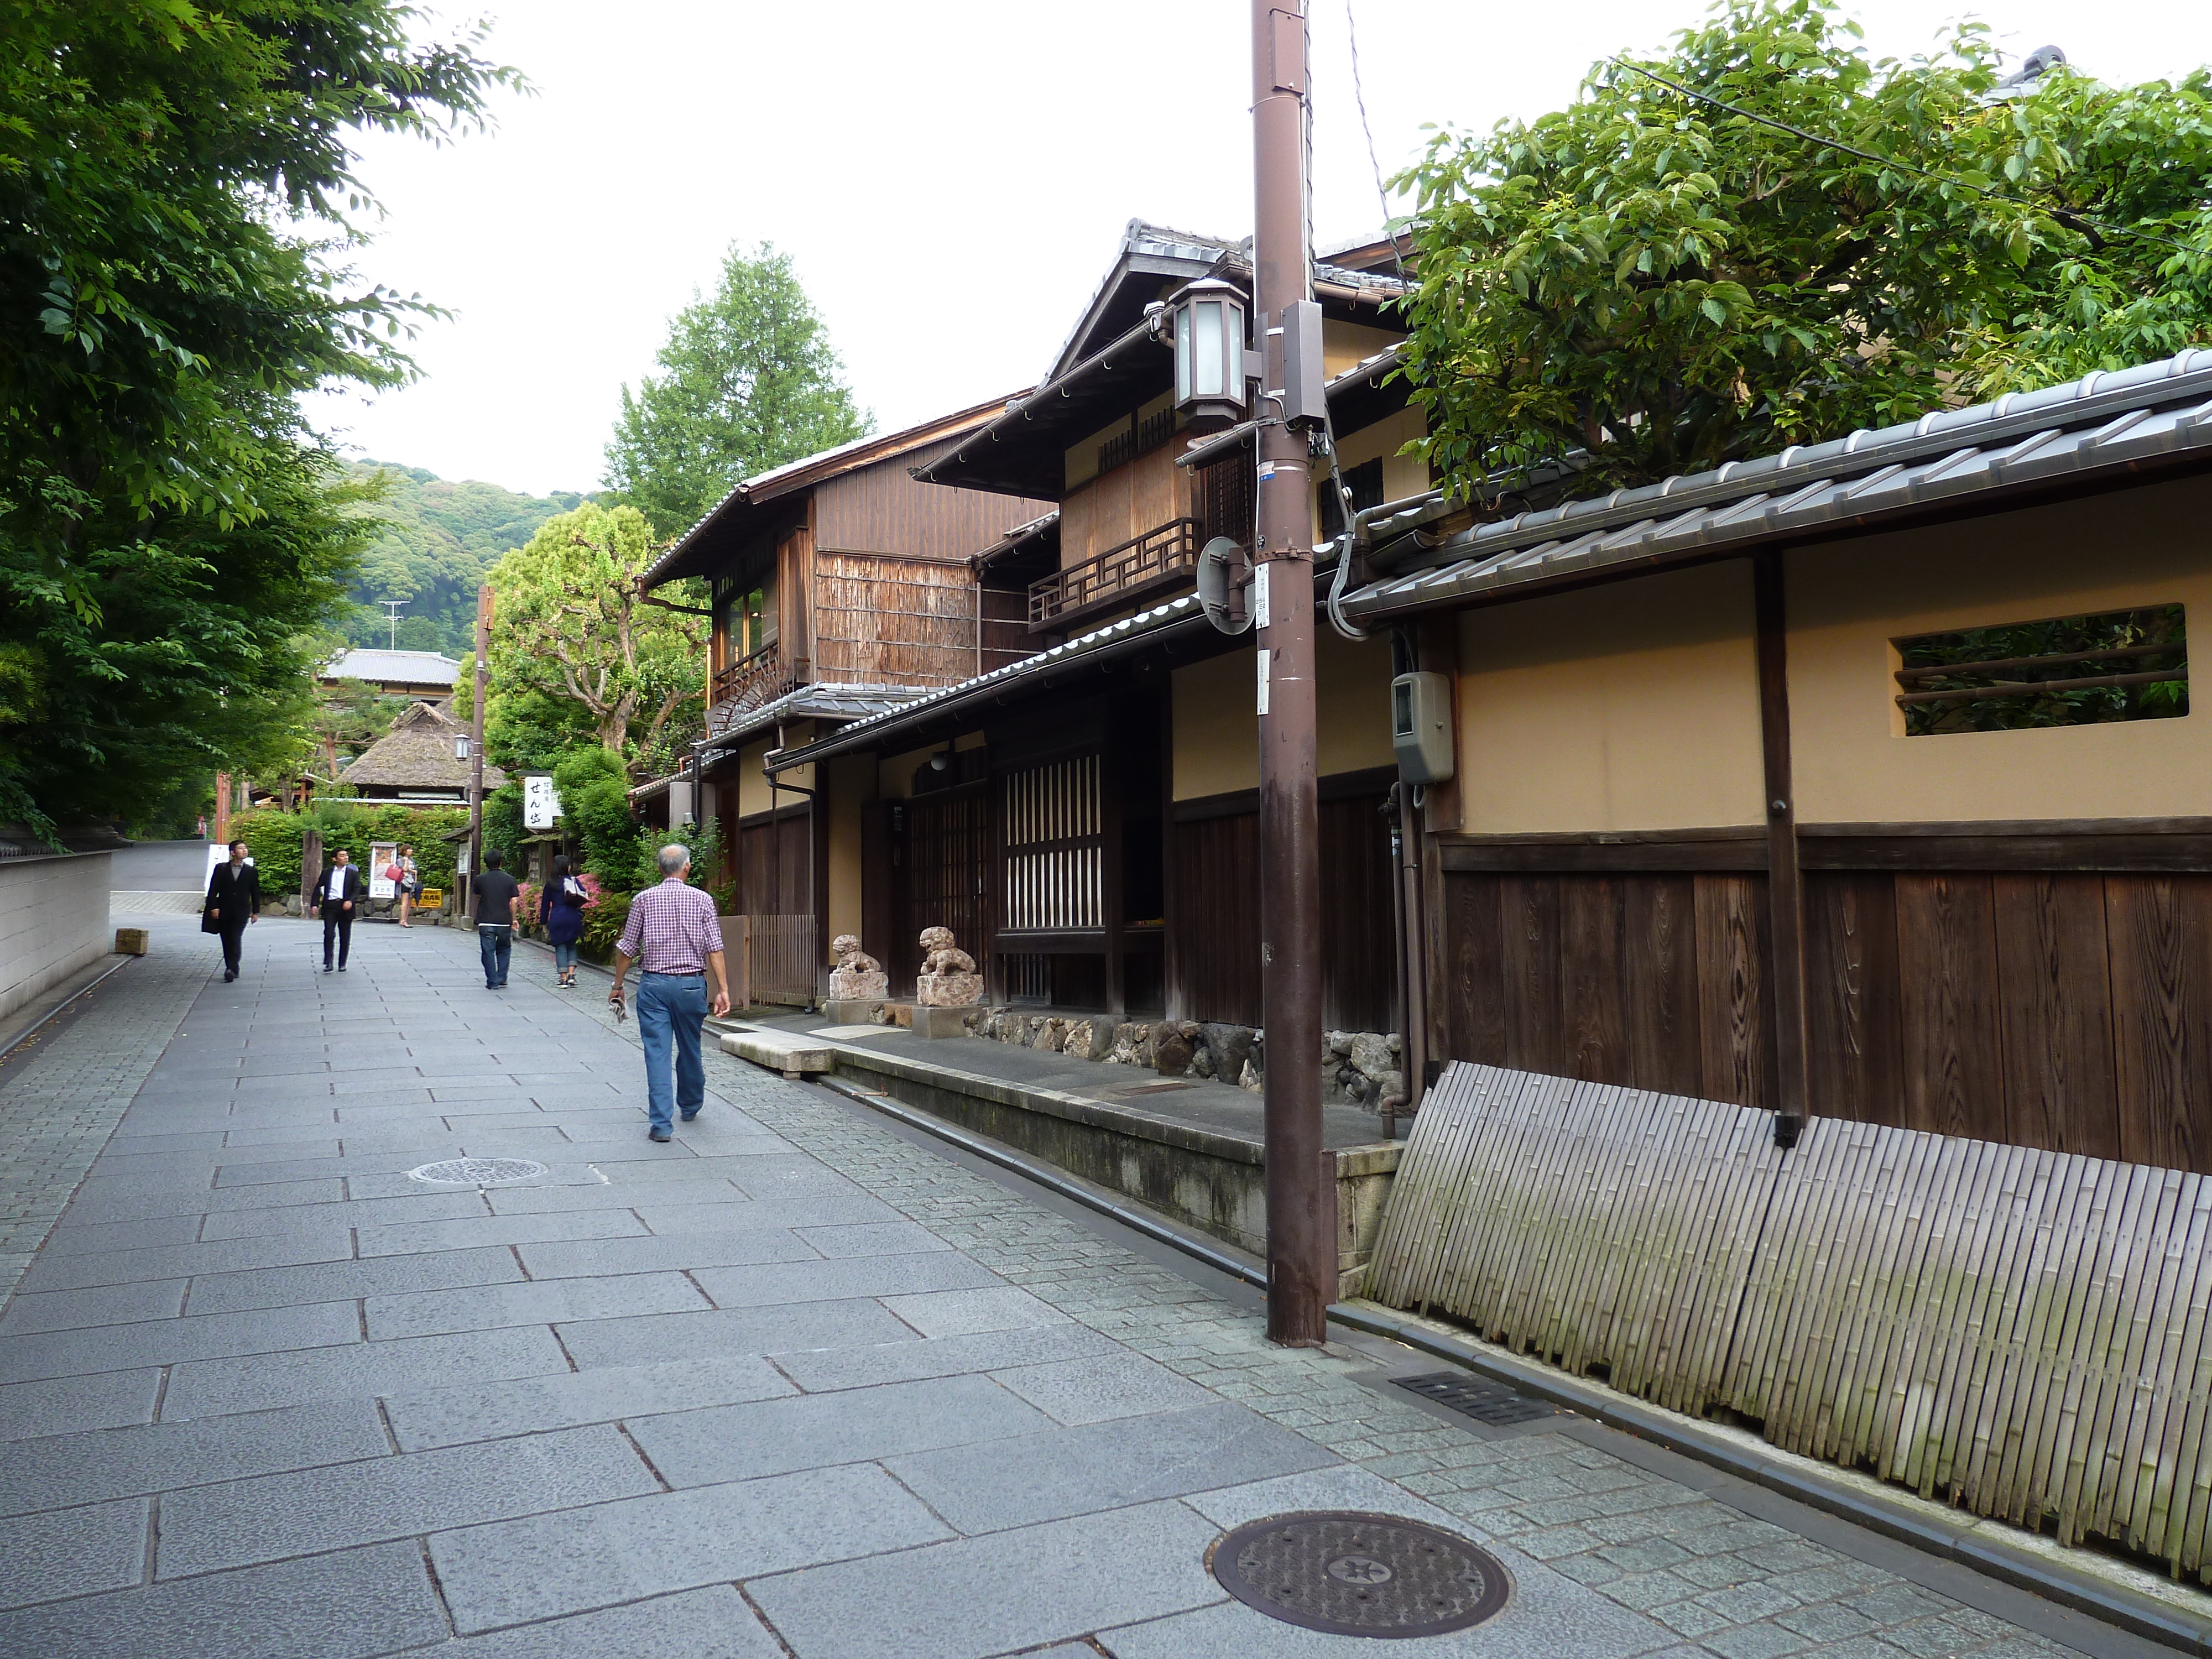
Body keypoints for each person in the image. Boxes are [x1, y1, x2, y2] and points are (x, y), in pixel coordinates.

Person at [609, 844, 731, 1141]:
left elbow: (628, 948)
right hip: (691, 985)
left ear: (660, 869)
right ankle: (690, 1105)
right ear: (686, 867)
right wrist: (723, 990)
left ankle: (661, 1125)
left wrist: (617, 986)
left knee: (657, 1052)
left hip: (654, 986)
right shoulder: (703, 900)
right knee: (690, 1046)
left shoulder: (643, 900)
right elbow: (714, 947)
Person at [203, 839, 259, 982]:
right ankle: (232, 967)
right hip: (224, 910)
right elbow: (213, 890)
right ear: (233, 853)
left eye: (246, 848)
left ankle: (232, 968)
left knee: (235, 937)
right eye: (241, 849)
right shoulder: (221, 869)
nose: (245, 851)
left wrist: (256, 912)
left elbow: (255, 892)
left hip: (241, 911)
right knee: (226, 939)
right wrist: (214, 907)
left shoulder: (251, 871)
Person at [473, 847, 520, 990]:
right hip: (504, 921)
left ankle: (492, 981)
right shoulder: (510, 879)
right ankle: (502, 977)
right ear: (501, 863)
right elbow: (514, 902)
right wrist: (514, 919)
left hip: (486, 920)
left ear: (486, 863)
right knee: (505, 949)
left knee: (488, 951)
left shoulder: (480, 879)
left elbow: (477, 894)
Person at [539, 854, 588, 988]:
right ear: (567, 867)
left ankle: (563, 978)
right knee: (572, 945)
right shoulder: (574, 881)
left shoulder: (551, 884)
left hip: (557, 917)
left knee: (560, 947)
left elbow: (545, 905)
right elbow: (583, 894)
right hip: (573, 917)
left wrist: (543, 922)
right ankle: (572, 975)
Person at [312, 847, 364, 973]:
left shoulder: (352, 873)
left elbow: (357, 888)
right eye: (342, 856)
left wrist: (350, 901)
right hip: (331, 905)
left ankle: (342, 963)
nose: (346, 857)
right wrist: (314, 904)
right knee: (329, 933)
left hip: (346, 906)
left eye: (346, 855)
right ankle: (329, 962)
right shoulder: (327, 872)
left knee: (345, 936)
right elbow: (319, 888)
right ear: (335, 859)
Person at [395, 844, 420, 927]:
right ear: (405, 851)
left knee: (410, 902)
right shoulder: (400, 860)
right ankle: (403, 920)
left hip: (412, 881)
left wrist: (412, 871)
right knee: (405, 902)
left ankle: (405, 919)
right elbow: (404, 869)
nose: (411, 851)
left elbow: (415, 870)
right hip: (404, 882)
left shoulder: (412, 860)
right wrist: (406, 862)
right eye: (409, 850)